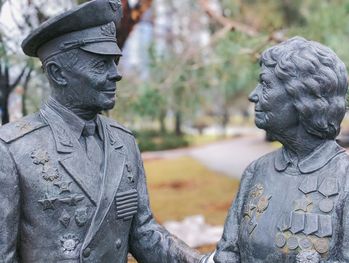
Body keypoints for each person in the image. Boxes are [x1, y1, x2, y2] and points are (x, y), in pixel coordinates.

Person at [0, 0, 202, 262]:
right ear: (58, 73)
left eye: (115, 62)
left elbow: (143, 233)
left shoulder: (124, 141)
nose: (116, 74)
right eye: (101, 64)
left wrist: (203, 260)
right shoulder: (13, 150)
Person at [202, 37, 349, 263]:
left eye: (266, 84)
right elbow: (227, 253)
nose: (253, 95)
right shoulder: (256, 171)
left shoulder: (345, 180)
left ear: (303, 97)